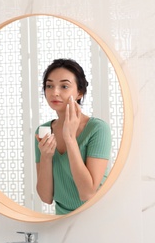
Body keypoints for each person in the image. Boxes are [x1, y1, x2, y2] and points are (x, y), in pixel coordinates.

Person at [35, 58, 112, 215]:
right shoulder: (44, 130)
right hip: (62, 222)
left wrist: (70, 139)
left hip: (98, 218)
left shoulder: (97, 129)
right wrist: (46, 157)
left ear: (79, 92)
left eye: (64, 86)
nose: (55, 92)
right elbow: (45, 197)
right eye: (49, 86)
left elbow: (87, 193)